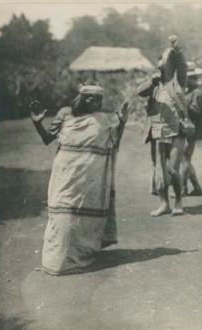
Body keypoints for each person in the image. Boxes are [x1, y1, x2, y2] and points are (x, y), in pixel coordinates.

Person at [29, 84, 130, 275]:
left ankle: (81, 254)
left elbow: (113, 140)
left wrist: (122, 122)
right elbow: (47, 138)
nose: (96, 103)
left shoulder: (102, 119)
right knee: (62, 215)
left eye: (99, 100)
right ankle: (56, 261)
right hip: (65, 175)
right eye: (92, 99)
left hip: (90, 178)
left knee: (82, 217)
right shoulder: (65, 114)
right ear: (83, 98)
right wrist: (37, 123)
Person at [140, 35, 191, 217]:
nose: (164, 69)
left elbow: (183, 67)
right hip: (157, 131)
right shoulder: (154, 85)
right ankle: (164, 204)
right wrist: (151, 81)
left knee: (172, 169)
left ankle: (178, 201)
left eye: (167, 66)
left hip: (176, 131)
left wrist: (178, 52)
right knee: (159, 169)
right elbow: (139, 92)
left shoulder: (178, 82)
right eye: (161, 66)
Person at [181, 61, 202, 196]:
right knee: (185, 158)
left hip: (191, 129)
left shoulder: (197, 93)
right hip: (189, 128)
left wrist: (181, 107)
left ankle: (183, 188)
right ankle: (197, 187)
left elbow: (196, 111)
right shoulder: (192, 92)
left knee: (185, 158)